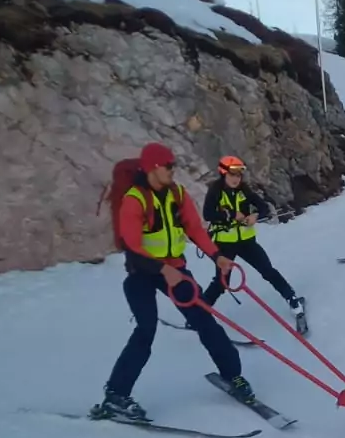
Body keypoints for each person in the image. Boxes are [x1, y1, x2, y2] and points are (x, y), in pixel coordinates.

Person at [93, 142, 256, 421]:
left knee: (206, 320)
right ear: (154, 167)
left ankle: (233, 376)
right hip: (142, 273)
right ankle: (116, 395)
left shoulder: (177, 194)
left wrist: (217, 256)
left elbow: (194, 229)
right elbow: (132, 245)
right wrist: (160, 268)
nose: (173, 170)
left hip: (176, 270)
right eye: (169, 166)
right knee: (145, 331)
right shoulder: (135, 200)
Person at [200, 155, 303, 311]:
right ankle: (200, 312)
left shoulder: (244, 191)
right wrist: (231, 215)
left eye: (239, 175)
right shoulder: (215, 192)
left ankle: (292, 297)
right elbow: (207, 214)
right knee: (221, 282)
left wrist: (255, 215)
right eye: (232, 175)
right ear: (223, 173)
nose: (236, 179)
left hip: (247, 242)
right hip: (224, 244)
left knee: (267, 270)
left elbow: (263, 207)